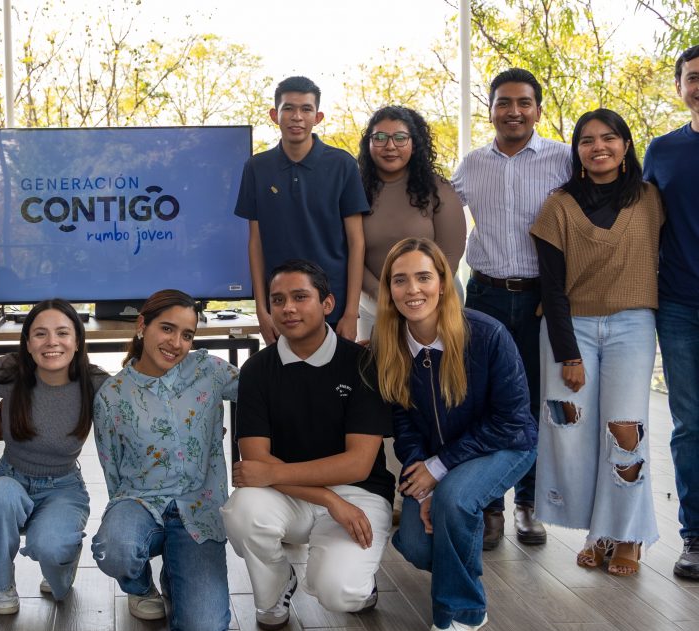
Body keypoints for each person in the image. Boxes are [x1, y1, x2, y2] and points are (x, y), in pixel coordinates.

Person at [374, 238, 536, 631]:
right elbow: (403, 422)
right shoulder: (389, 344)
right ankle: (457, 555)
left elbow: (511, 419)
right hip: (436, 458)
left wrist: (439, 469)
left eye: (423, 277)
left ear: (443, 283)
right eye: (400, 280)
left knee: (455, 500)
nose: (413, 289)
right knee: (414, 543)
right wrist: (423, 477)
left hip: (506, 444)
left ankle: (463, 609)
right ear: (389, 290)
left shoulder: (486, 334)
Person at [222, 259, 393, 631]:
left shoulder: (362, 363)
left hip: (357, 493)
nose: (288, 308)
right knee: (242, 510)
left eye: (300, 297)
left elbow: (357, 465)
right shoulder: (257, 370)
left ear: (327, 304)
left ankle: (357, 583)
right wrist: (328, 499)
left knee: (340, 593)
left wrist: (328, 495)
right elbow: (255, 465)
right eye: (278, 300)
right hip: (291, 495)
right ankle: (275, 588)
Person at [532, 109, 663, 576]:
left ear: (625, 146)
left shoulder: (650, 199)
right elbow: (551, 288)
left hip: (633, 325)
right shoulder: (558, 205)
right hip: (571, 329)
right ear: (577, 151)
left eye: (609, 138)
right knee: (570, 431)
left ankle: (627, 535)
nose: (598, 147)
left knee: (625, 429)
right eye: (587, 140)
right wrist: (568, 353)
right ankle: (600, 532)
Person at [451, 68, 571, 550]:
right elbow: (436, 209)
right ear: (491, 110)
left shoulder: (564, 159)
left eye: (524, 103)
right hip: (486, 295)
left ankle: (529, 502)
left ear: (537, 110)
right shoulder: (472, 164)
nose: (514, 111)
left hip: (544, 299)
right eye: (504, 102)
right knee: (484, 400)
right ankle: (489, 506)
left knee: (535, 401)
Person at [91, 290, 238, 631]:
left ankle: (177, 571)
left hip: (198, 510)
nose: (176, 343)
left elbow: (266, 389)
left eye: (187, 335)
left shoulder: (209, 370)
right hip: (141, 503)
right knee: (115, 548)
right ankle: (141, 586)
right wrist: (124, 523)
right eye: (167, 329)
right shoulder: (111, 396)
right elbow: (112, 470)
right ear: (143, 325)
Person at [0, 299, 109, 614]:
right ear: (28, 343)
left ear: (77, 341)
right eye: (40, 334)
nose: (51, 342)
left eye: (62, 333)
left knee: (53, 555)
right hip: (10, 476)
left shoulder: (94, 381)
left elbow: (139, 397)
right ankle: (1, 581)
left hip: (63, 485)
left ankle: (64, 556)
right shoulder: (11, 370)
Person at [235, 76, 369, 343]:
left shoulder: (343, 165)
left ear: (317, 117)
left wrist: (351, 312)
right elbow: (255, 242)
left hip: (333, 304)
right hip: (281, 307)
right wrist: (261, 310)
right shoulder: (256, 168)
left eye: (306, 109)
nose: (297, 117)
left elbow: (357, 242)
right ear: (274, 115)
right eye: (288, 108)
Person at [644, 44, 699, 579]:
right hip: (680, 305)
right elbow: (640, 224)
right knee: (689, 424)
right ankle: (695, 535)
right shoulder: (661, 151)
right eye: (693, 77)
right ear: (680, 86)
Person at [357, 105, 465, 341]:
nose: (390, 146)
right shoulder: (354, 190)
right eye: (380, 137)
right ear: (369, 143)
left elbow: (450, 254)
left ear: (414, 144)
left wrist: (421, 296)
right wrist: (384, 296)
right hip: (374, 304)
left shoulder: (438, 190)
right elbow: (351, 252)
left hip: (435, 300)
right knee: (374, 365)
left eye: (400, 138)